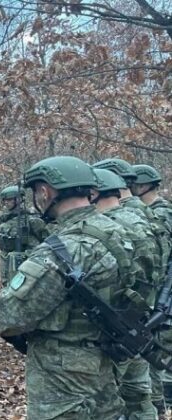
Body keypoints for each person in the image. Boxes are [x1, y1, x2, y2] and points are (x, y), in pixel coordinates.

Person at [0, 156, 128, 419]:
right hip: (108, 363)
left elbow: (6, 317)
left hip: (61, 375)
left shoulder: (62, 249)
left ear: (45, 191)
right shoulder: (120, 232)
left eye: (35, 191)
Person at [91, 168, 162, 418]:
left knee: (108, 399)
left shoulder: (113, 223)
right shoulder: (144, 217)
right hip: (142, 317)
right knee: (140, 393)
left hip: (120, 323)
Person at [132, 163, 172, 412]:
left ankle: (160, 403)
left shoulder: (161, 213)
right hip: (158, 290)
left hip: (164, 291)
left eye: (134, 184)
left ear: (145, 185)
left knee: (158, 349)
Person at [0, 185, 48, 286]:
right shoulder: (4, 219)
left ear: (19, 200)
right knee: (7, 286)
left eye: (9, 199)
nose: (6, 202)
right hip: (7, 259)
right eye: (4, 200)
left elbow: (45, 241)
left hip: (26, 261)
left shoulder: (32, 219)